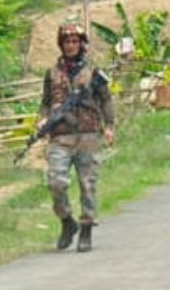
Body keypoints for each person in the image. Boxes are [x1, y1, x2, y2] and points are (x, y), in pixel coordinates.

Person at [37, 17, 115, 252]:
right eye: (66, 41)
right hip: (60, 137)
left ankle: (86, 227)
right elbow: (45, 102)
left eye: (75, 41)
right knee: (56, 182)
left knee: (87, 185)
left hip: (88, 135)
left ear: (81, 44)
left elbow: (106, 100)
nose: (71, 45)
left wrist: (109, 126)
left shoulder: (93, 72)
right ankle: (66, 221)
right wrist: (42, 119)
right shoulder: (52, 73)